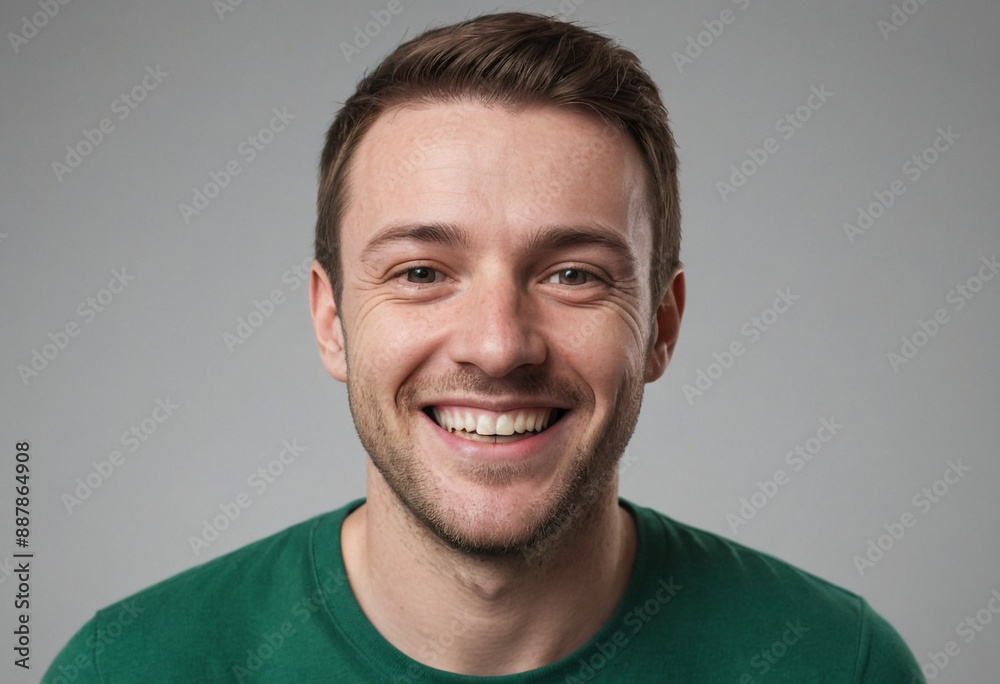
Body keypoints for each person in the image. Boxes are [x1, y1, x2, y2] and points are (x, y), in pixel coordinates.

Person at [45, 12, 923, 683]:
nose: (499, 347)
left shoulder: (835, 663)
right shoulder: (129, 667)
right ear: (330, 320)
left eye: (574, 274)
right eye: (423, 272)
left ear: (660, 323)